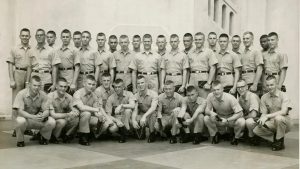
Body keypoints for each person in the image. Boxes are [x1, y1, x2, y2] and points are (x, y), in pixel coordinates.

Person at [13, 75, 56, 147]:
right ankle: (20, 140)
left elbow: (47, 111)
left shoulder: (43, 95)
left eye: (38, 86)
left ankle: (43, 137)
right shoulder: (21, 94)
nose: (37, 88)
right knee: (20, 121)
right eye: (34, 85)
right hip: (26, 120)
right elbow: (20, 111)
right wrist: (32, 117)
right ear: (29, 85)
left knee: (52, 122)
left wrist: (43, 115)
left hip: (37, 119)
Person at [253, 75, 293, 151]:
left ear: (276, 84)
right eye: (267, 85)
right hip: (272, 122)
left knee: (278, 118)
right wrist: (262, 119)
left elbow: (284, 112)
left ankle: (279, 141)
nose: (269, 87)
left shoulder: (284, 95)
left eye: (272, 85)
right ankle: (277, 137)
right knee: (256, 130)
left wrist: (267, 116)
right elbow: (264, 113)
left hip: (285, 122)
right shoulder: (264, 97)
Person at [73, 75, 112, 146]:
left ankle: (93, 134)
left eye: (93, 84)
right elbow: (81, 107)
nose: (91, 86)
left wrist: (99, 116)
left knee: (103, 121)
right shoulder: (78, 93)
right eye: (89, 84)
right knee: (86, 113)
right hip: (76, 118)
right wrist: (96, 109)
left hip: (88, 118)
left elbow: (96, 109)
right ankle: (83, 136)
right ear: (84, 83)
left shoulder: (94, 95)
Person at [204, 80, 245, 145]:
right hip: (219, 118)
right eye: (214, 90)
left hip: (231, 119)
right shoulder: (210, 96)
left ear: (223, 89)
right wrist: (211, 113)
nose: (216, 92)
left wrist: (227, 120)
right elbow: (206, 110)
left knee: (241, 121)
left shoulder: (230, 98)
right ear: (212, 90)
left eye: (218, 89)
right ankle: (215, 134)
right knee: (206, 118)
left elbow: (240, 113)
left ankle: (236, 137)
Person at [7, 28, 34, 125]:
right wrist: (11, 79)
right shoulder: (14, 49)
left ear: (30, 37)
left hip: (29, 75)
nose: (25, 37)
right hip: (18, 74)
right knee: (16, 102)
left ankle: (27, 126)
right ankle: (16, 127)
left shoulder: (33, 49)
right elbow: (10, 64)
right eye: (23, 35)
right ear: (20, 36)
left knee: (28, 100)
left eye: (27, 36)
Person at [48, 77, 79, 143]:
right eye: (61, 86)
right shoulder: (50, 96)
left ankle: (66, 135)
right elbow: (53, 115)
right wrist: (68, 114)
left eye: (65, 87)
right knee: (62, 121)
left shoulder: (69, 97)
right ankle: (53, 137)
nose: (63, 88)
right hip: (51, 120)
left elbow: (73, 108)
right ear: (56, 86)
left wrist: (75, 112)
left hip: (62, 118)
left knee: (76, 119)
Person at [29, 28, 61, 93]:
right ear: (35, 37)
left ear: (45, 36)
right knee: (34, 98)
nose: (39, 37)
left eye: (41, 35)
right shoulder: (31, 50)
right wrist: (27, 82)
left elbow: (55, 67)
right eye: (38, 35)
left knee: (46, 98)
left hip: (46, 77)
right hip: (34, 75)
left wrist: (54, 83)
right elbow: (29, 67)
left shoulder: (52, 50)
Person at [188, 32, 218, 98]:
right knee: (192, 100)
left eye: (200, 39)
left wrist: (209, 83)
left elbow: (213, 68)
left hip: (203, 79)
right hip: (192, 79)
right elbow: (188, 70)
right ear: (194, 41)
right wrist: (188, 83)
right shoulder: (190, 53)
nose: (197, 41)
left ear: (204, 40)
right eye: (196, 40)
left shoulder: (209, 52)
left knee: (204, 101)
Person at [106, 78, 136, 143]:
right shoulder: (111, 98)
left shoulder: (129, 94)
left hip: (128, 118)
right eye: (115, 87)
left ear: (123, 87)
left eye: (119, 87)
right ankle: (123, 132)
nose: (117, 89)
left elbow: (133, 105)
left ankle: (124, 133)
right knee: (112, 129)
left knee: (128, 110)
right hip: (118, 119)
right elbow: (108, 115)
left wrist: (121, 105)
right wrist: (116, 121)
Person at [132, 75, 158, 142]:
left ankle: (152, 133)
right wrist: (133, 120)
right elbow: (135, 110)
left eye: (142, 82)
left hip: (153, 117)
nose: (140, 85)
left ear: (146, 83)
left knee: (153, 114)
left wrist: (144, 116)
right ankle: (140, 131)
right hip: (143, 117)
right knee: (140, 137)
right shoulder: (136, 96)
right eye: (138, 83)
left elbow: (153, 108)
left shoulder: (154, 94)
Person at [236, 79, 260, 145]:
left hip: (260, 120)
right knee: (239, 120)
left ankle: (252, 138)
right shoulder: (241, 97)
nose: (240, 89)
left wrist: (243, 117)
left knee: (248, 121)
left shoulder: (252, 96)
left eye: (242, 87)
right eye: (238, 87)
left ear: (247, 87)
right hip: (253, 120)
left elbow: (253, 115)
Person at [56, 29, 80, 94]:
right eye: (63, 37)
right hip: (60, 75)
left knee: (70, 97)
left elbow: (77, 68)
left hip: (70, 77)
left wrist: (73, 83)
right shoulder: (57, 50)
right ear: (61, 38)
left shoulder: (74, 50)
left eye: (67, 37)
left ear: (70, 38)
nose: (65, 39)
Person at [241, 31, 264, 96]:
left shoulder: (256, 51)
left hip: (252, 83)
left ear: (252, 39)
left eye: (247, 38)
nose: (245, 40)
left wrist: (255, 84)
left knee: (254, 103)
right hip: (244, 83)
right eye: (244, 38)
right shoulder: (243, 52)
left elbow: (260, 68)